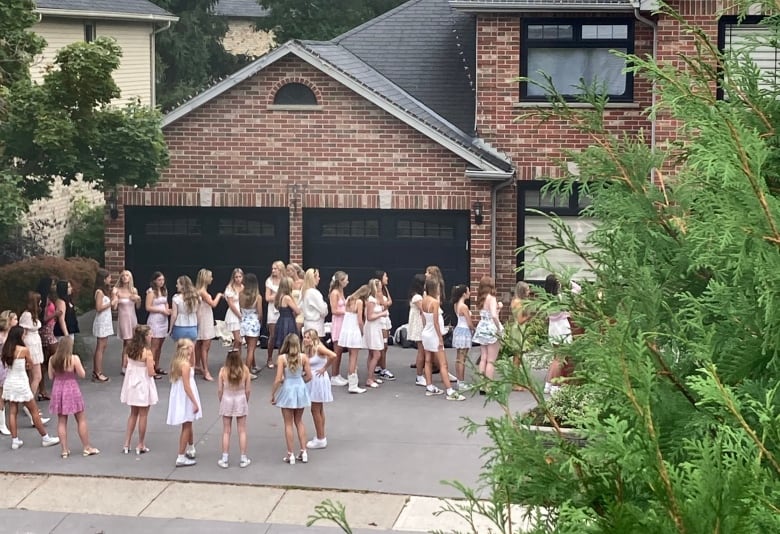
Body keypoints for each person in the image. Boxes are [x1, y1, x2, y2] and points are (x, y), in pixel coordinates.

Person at [1, 325, 60, 449]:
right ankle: (45, 437)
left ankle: (15, 440)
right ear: (19, 336)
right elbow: (31, 364)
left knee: (12, 411)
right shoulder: (23, 350)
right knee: (34, 411)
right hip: (21, 383)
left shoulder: (6, 349)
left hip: (10, 382)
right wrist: (27, 365)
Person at [48, 336, 99, 458]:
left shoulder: (52, 360)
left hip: (58, 389)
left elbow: (50, 376)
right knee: (80, 419)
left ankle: (64, 450)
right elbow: (82, 374)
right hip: (71, 389)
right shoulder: (74, 359)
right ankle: (86, 447)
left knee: (61, 420)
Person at [420, 279, 465, 401]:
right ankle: (450, 391)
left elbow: (423, 317)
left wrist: (426, 329)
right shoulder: (434, 302)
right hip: (434, 334)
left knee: (428, 360)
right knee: (443, 364)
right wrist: (440, 338)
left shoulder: (423, 300)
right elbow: (435, 322)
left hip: (426, 333)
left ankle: (429, 386)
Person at [270, 333, 312, 465]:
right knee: (299, 421)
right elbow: (309, 376)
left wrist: (273, 394)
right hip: (300, 388)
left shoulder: (282, 358)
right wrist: (301, 383)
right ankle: (304, 451)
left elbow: (278, 379)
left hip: (288, 389)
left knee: (288, 423)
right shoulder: (304, 357)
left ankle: (290, 454)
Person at [120, 325, 158, 455]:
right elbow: (151, 372)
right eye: (150, 334)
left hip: (131, 384)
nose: (151, 336)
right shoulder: (147, 352)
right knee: (143, 415)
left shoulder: (129, 349)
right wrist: (152, 365)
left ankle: (126, 443)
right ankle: (141, 443)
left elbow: (126, 364)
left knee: (133, 414)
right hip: (142, 384)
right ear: (145, 337)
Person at [167, 338, 202, 467]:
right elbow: (187, 386)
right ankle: (181, 456)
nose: (193, 349)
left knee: (188, 422)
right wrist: (194, 402)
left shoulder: (177, 362)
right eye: (191, 347)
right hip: (186, 396)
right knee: (186, 425)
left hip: (180, 395)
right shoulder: (185, 366)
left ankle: (191, 447)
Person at [217, 349, 251, 468]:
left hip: (227, 398)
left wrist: (221, 400)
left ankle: (225, 458)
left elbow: (220, 390)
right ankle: (243, 457)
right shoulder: (245, 370)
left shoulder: (223, 371)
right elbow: (248, 390)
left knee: (226, 430)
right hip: (240, 399)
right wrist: (246, 400)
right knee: (242, 430)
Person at [303, 329, 335, 450]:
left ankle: (320, 438)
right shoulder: (308, 349)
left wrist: (324, 368)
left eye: (308, 337)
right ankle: (321, 436)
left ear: (313, 339)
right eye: (305, 337)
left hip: (318, 379)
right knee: (319, 408)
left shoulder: (319, 348)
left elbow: (333, 355)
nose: (305, 339)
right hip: (313, 380)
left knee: (315, 409)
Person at [338, 284, 371, 394]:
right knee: (354, 358)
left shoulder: (349, 299)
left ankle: (352, 380)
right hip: (354, 330)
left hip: (346, 329)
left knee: (351, 356)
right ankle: (353, 385)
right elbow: (360, 320)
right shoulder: (359, 302)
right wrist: (362, 331)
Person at [472, 276, 503, 385]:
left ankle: (482, 384)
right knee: (491, 360)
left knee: (483, 358)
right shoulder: (492, 298)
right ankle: (489, 385)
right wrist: (499, 328)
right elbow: (494, 316)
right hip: (491, 327)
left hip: (482, 326)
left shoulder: (480, 298)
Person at [195, 269, 222, 382]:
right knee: (205, 345)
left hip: (202, 317)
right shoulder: (203, 292)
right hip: (205, 319)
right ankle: (206, 370)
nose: (212, 279)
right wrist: (219, 296)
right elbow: (213, 304)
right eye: (210, 277)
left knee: (200, 343)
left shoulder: (200, 290)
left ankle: (197, 364)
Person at [363, 278, 389, 389]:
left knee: (372, 353)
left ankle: (372, 376)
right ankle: (369, 378)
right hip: (372, 328)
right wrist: (382, 314)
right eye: (378, 286)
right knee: (377, 353)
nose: (380, 288)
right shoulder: (371, 300)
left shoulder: (373, 299)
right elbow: (369, 317)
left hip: (376, 327)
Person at [91, 269, 117, 382]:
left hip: (106, 320)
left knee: (103, 346)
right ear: (104, 279)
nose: (110, 280)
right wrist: (110, 303)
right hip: (101, 320)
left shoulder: (105, 291)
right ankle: (97, 372)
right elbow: (98, 307)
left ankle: (97, 370)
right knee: (100, 347)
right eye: (109, 278)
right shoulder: (99, 292)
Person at [19, 291, 45, 399]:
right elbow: (23, 334)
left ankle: (29, 400)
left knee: (32, 376)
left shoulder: (33, 315)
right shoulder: (26, 315)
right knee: (37, 376)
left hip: (35, 343)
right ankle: (29, 402)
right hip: (31, 345)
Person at [36, 277, 58, 401]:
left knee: (45, 361)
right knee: (56, 357)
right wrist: (55, 314)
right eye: (52, 284)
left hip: (50, 330)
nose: (54, 286)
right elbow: (43, 319)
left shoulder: (49, 297)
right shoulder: (42, 299)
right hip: (46, 332)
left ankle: (42, 390)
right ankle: (51, 386)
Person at [114, 270, 141, 374]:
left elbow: (138, 307)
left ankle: (132, 363)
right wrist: (115, 299)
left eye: (127, 275)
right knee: (127, 342)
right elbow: (115, 307)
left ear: (130, 278)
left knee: (133, 342)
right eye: (123, 276)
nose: (125, 277)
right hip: (124, 318)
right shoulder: (117, 290)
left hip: (132, 317)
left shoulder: (133, 290)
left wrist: (138, 299)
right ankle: (124, 366)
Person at [145, 271, 170, 378]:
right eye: (159, 280)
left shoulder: (164, 291)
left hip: (164, 320)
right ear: (154, 281)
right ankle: (151, 368)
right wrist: (160, 311)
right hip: (155, 320)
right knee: (154, 346)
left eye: (163, 280)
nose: (161, 282)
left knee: (160, 345)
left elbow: (166, 302)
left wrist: (168, 310)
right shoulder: (151, 292)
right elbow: (148, 307)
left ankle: (157, 366)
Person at [451, 284, 475, 390]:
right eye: (468, 291)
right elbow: (469, 323)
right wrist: (473, 329)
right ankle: (461, 382)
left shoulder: (456, 305)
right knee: (462, 358)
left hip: (458, 329)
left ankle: (459, 380)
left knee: (458, 358)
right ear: (464, 294)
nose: (469, 293)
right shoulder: (464, 307)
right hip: (464, 331)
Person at [239, 273, 263, 378]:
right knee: (251, 349)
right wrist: (259, 321)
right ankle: (247, 371)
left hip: (243, 322)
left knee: (248, 347)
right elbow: (260, 313)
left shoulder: (240, 294)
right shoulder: (257, 297)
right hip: (253, 323)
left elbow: (240, 308)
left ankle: (250, 368)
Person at [373, 270, 395, 381]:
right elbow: (385, 305)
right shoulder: (378, 292)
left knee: (384, 346)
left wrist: (387, 304)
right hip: (381, 320)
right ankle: (383, 369)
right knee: (383, 345)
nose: (387, 278)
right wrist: (386, 305)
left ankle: (379, 366)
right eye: (386, 276)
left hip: (386, 319)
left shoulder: (385, 289)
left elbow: (390, 301)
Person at [327, 271, 349, 386]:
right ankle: (334, 375)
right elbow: (334, 310)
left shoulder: (341, 291)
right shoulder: (334, 293)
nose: (347, 282)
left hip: (343, 322)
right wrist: (346, 311)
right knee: (337, 350)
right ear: (340, 281)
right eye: (346, 280)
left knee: (340, 351)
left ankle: (337, 373)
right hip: (337, 323)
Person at [0, 310, 19, 435]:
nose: (17, 321)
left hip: (9, 365)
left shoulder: (12, 335)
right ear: (8, 321)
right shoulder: (1, 336)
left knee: (11, 392)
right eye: (15, 319)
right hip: (1, 365)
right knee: (2, 394)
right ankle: (2, 424)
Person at [265, 260, 285, 368]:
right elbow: (268, 298)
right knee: (272, 335)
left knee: (282, 335)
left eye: (275, 268)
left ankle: (280, 357)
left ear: (280, 269)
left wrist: (276, 296)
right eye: (272, 268)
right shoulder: (269, 281)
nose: (273, 271)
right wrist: (278, 295)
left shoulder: (285, 281)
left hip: (282, 309)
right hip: (272, 310)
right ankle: (269, 358)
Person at [408, 274, 427, 387]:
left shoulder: (421, 295)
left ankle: (423, 374)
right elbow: (424, 309)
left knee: (424, 350)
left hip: (422, 324)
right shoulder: (417, 297)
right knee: (421, 350)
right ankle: (419, 376)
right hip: (419, 325)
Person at [273, 276, 301, 350]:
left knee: (281, 345)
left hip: (281, 320)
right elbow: (297, 311)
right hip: (288, 321)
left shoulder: (279, 296)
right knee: (289, 343)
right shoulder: (287, 298)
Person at [169, 276, 199, 342]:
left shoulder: (176, 298)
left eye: (178, 284)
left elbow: (174, 315)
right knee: (191, 350)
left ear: (182, 286)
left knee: (180, 350)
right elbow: (199, 314)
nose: (176, 286)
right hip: (193, 326)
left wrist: (170, 328)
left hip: (180, 326)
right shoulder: (197, 297)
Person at [301, 268, 328, 338]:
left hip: (307, 324)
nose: (319, 279)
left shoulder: (304, 291)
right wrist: (325, 304)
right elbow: (323, 310)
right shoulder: (314, 293)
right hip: (316, 326)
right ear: (313, 278)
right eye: (318, 276)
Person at [223, 268, 244, 355]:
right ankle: (232, 360)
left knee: (240, 340)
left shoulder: (243, 287)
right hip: (233, 314)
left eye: (240, 277)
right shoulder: (230, 288)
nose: (238, 279)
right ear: (233, 278)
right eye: (236, 277)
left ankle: (238, 360)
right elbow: (231, 304)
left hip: (242, 311)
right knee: (237, 339)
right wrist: (239, 315)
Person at [287, 263, 305, 333]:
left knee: (297, 332)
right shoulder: (288, 283)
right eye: (287, 270)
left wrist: (297, 310)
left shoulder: (302, 283)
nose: (287, 272)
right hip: (290, 310)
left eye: (289, 270)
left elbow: (303, 298)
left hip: (300, 310)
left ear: (295, 271)